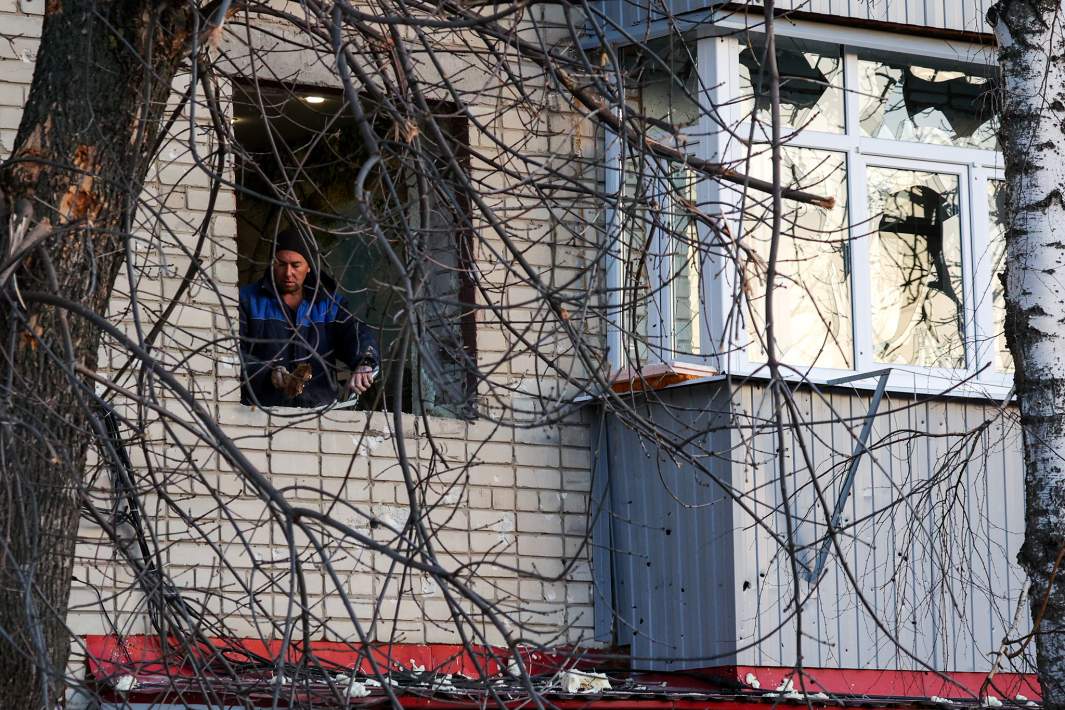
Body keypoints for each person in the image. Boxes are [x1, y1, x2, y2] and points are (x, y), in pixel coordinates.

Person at [238, 228, 378, 408]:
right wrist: (266, 373)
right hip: (259, 414)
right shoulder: (247, 301)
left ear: (309, 266)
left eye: (296, 265)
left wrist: (364, 362)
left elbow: (357, 334)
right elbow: (232, 354)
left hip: (320, 415)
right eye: (281, 264)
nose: (288, 273)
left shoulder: (329, 306)